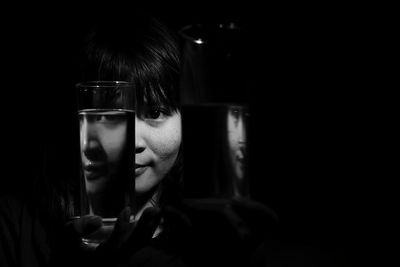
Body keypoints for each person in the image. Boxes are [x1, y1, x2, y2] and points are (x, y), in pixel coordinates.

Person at [0, 9, 277, 267]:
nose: (132, 142)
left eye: (155, 112)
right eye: (109, 115)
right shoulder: (15, 222)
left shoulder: (213, 240)